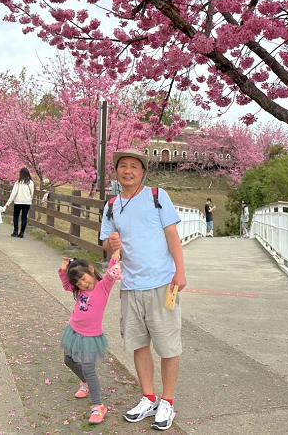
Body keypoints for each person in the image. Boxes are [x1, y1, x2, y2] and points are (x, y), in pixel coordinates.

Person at [100, 149, 186, 431]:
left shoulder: (157, 197)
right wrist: (111, 245)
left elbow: (172, 235)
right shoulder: (112, 205)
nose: (128, 171)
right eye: (122, 166)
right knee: (138, 344)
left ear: (142, 172)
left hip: (161, 283)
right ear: (116, 171)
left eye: (133, 167)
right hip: (130, 285)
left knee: (168, 346)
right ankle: (148, 397)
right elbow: (106, 247)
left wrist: (180, 271)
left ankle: (168, 401)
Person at [58, 253, 122, 425]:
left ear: (92, 271)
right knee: (69, 360)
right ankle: (85, 383)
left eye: (85, 279)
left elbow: (111, 273)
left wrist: (115, 255)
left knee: (89, 368)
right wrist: (63, 269)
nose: (84, 284)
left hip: (91, 336)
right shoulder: (78, 290)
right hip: (74, 331)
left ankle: (98, 405)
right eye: (79, 283)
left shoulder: (103, 287)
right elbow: (66, 285)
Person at [4, 167, 35, 238]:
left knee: (16, 216)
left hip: (18, 202)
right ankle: (22, 233)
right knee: (24, 217)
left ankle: (15, 232)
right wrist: (29, 199)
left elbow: (13, 194)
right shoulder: (31, 183)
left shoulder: (17, 182)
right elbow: (32, 193)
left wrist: (8, 203)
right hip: (27, 202)